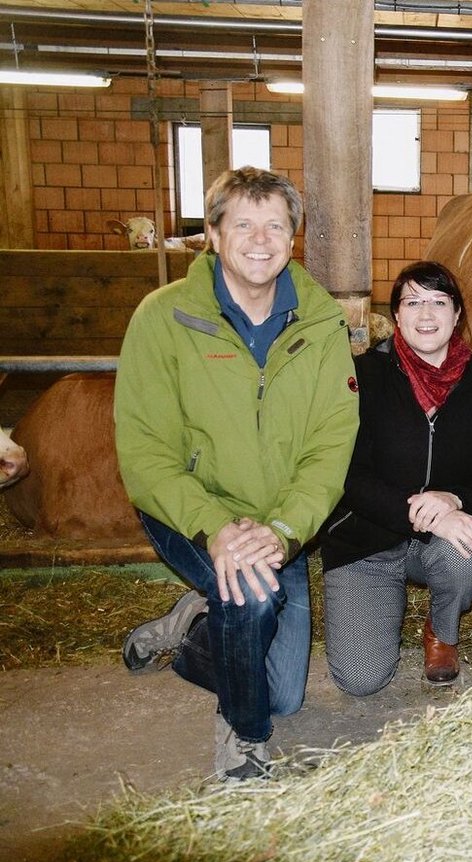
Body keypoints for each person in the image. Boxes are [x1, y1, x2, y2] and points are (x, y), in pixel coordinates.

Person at [114, 167, 359, 780]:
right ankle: (243, 736)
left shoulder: (321, 323)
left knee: (285, 693)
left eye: (274, 224)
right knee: (251, 600)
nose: (259, 238)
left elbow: (331, 444)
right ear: (215, 236)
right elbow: (145, 451)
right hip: (192, 510)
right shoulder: (163, 317)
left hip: (281, 521)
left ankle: (196, 623)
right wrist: (214, 528)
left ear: (292, 238)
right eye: (242, 224)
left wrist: (283, 528)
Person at [319, 261, 472, 694]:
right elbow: (343, 472)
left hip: (439, 541)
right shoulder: (362, 377)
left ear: (456, 315)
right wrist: (421, 511)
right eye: (413, 302)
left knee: (467, 555)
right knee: (361, 680)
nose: (426, 315)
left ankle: (442, 629)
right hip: (367, 540)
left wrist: (454, 499)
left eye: (438, 302)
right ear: (396, 315)